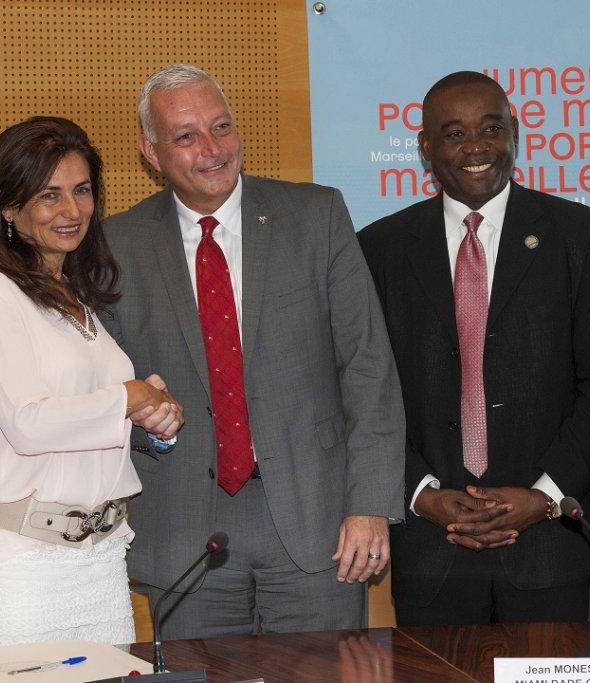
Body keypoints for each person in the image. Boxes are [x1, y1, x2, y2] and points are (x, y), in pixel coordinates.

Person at [101, 64, 404, 639]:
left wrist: (368, 503)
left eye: (222, 127)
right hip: (184, 531)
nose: (212, 150)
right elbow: (105, 387)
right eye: (186, 136)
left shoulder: (317, 217)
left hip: (317, 524)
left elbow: (368, 368)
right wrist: (148, 424)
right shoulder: (116, 245)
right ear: (151, 150)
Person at [358, 71, 590, 625]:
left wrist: (545, 495)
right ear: (425, 147)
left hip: (547, 546)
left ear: (515, 134)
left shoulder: (580, 235)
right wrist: (422, 493)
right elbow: (366, 392)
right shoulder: (379, 248)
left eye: (492, 128)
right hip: (431, 549)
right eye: (454, 134)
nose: (476, 146)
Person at [0, 117, 184, 649]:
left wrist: (151, 415)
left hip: (97, 562)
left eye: (81, 191)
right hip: (14, 568)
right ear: (9, 208)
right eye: (49, 196)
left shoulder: (76, 293)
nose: (71, 211)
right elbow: (29, 424)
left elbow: (86, 416)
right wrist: (126, 397)